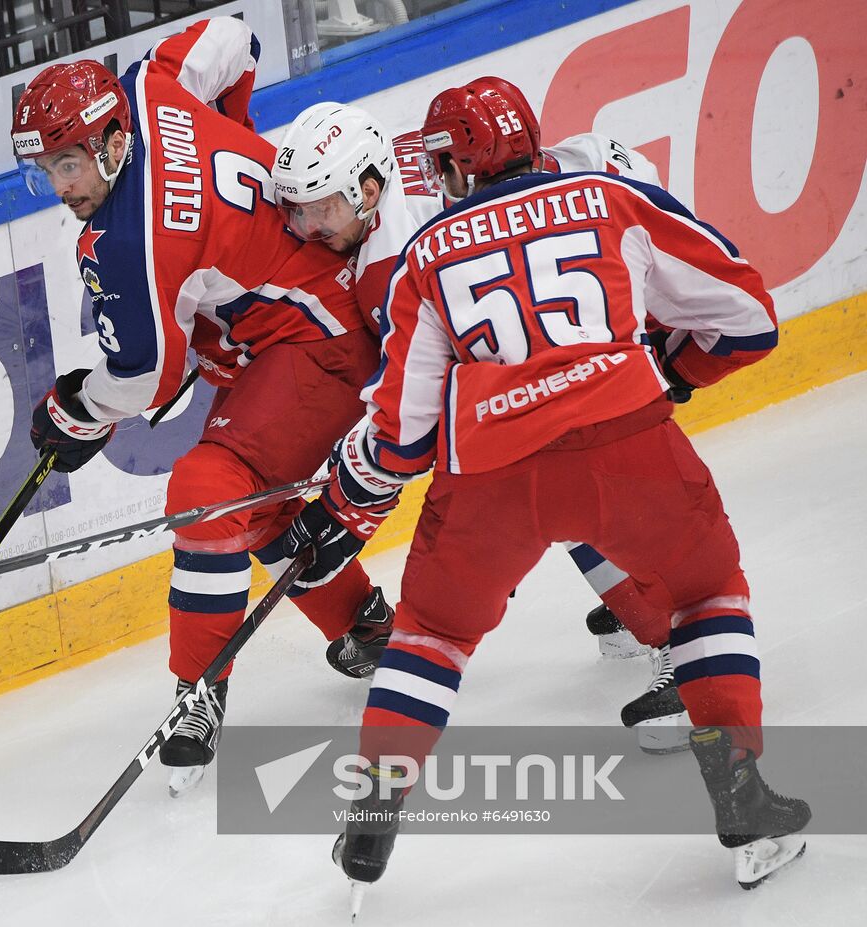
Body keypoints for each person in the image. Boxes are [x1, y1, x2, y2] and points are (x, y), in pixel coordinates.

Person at [282, 76, 809, 897]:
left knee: (430, 635)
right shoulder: (611, 197)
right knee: (705, 595)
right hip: (627, 445)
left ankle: (375, 812)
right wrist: (672, 372)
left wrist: (348, 494)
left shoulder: (425, 255)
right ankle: (743, 799)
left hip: (490, 477)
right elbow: (749, 318)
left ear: (458, 166)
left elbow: (402, 439)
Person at [11, 17, 393, 790]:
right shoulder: (151, 85)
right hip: (287, 322)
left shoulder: (129, 240)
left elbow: (149, 379)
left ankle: (198, 692)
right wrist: (234, 139)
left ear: (113, 141)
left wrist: (75, 407)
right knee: (253, 501)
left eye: (70, 163)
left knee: (207, 491)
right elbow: (234, 35)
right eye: (46, 171)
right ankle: (364, 624)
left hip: (316, 340)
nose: (62, 188)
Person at [271, 92, 687, 752]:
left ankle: (678, 643)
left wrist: (353, 507)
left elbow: (423, 415)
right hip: (578, 329)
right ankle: (646, 596)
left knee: (567, 457)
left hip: (602, 345)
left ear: (368, 186)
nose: (309, 226)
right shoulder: (444, 187)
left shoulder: (401, 260)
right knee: (561, 470)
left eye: (321, 206)